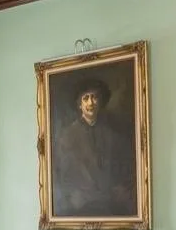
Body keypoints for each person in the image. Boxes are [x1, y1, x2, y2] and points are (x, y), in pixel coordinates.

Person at [52, 78, 136, 217]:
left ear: (100, 102)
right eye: (86, 98)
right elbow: (62, 176)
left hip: (110, 205)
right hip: (81, 207)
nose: (91, 103)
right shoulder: (67, 137)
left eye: (94, 97)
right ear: (80, 105)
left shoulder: (112, 135)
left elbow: (122, 170)